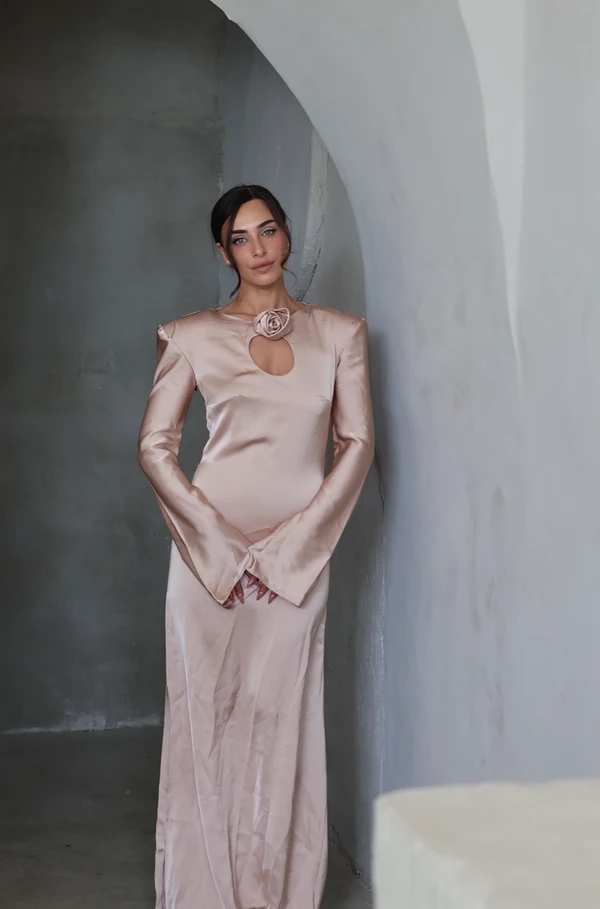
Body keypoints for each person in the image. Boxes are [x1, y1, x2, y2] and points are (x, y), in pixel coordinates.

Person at [137, 184, 375, 909]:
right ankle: (202, 892)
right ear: (224, 252)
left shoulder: (340, 334)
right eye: (241, 238)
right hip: (208, 562)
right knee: (205, 717)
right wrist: (221, 551)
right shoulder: (190, 335)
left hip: (297, 561)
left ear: (288, 234)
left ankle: (277, 893)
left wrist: (287, 553)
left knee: (282, 718)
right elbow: (154, 447)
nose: (259, 248)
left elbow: (357, 444)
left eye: (268, 230)